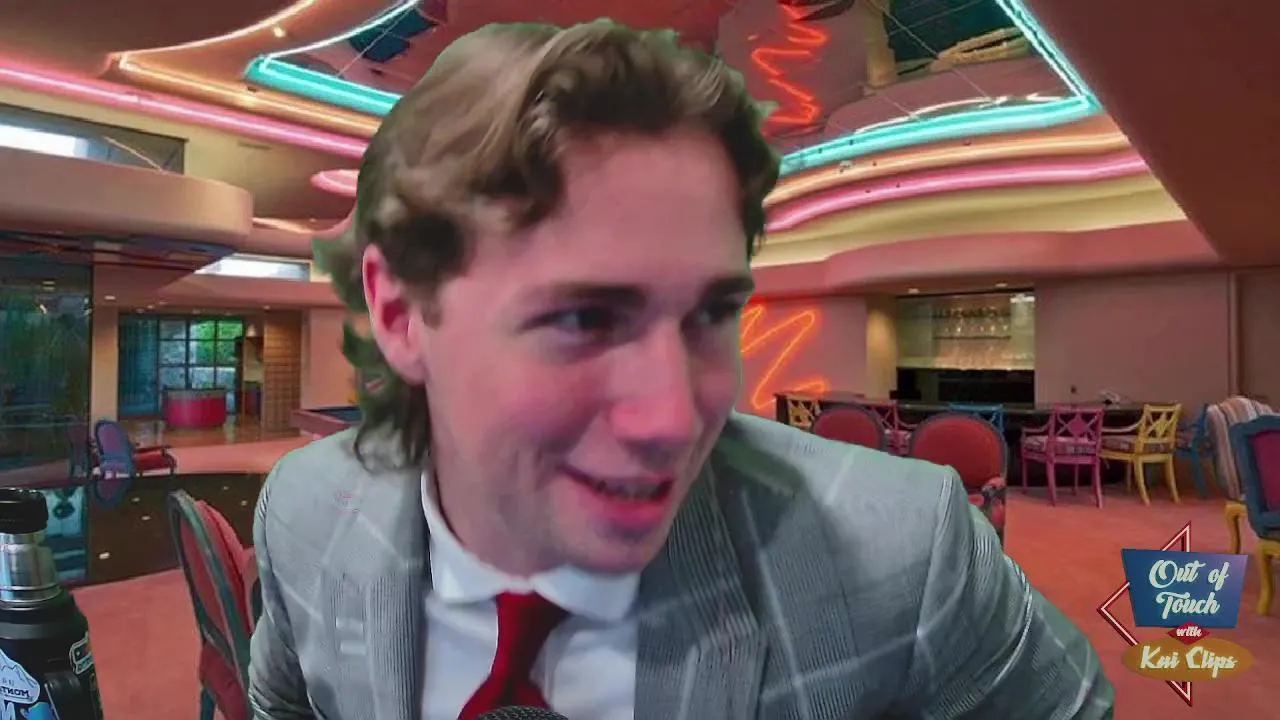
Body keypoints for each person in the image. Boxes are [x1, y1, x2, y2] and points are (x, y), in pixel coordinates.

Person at [248, 19, 1114, 720]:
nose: (675, 419)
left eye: (709, 314)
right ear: (401, 313)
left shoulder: (905, 553)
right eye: (583, 318)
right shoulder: (306, 511)